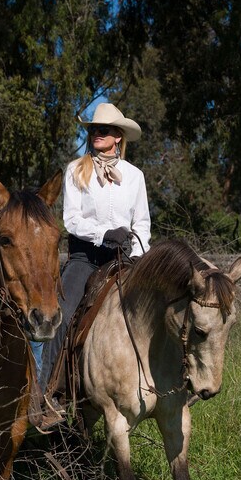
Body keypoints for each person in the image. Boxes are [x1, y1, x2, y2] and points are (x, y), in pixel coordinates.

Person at [37, 103, 151, 412]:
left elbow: (142, 223)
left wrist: (138, 256)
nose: (96, 133)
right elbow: (72, 220)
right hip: (85, 257)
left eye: (104, 130)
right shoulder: (76, 169)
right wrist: (104, 233)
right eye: (94, 129)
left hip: (124, 259)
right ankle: (44, 395)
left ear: (118, 137)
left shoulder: (135, 176)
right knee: (60, 315)